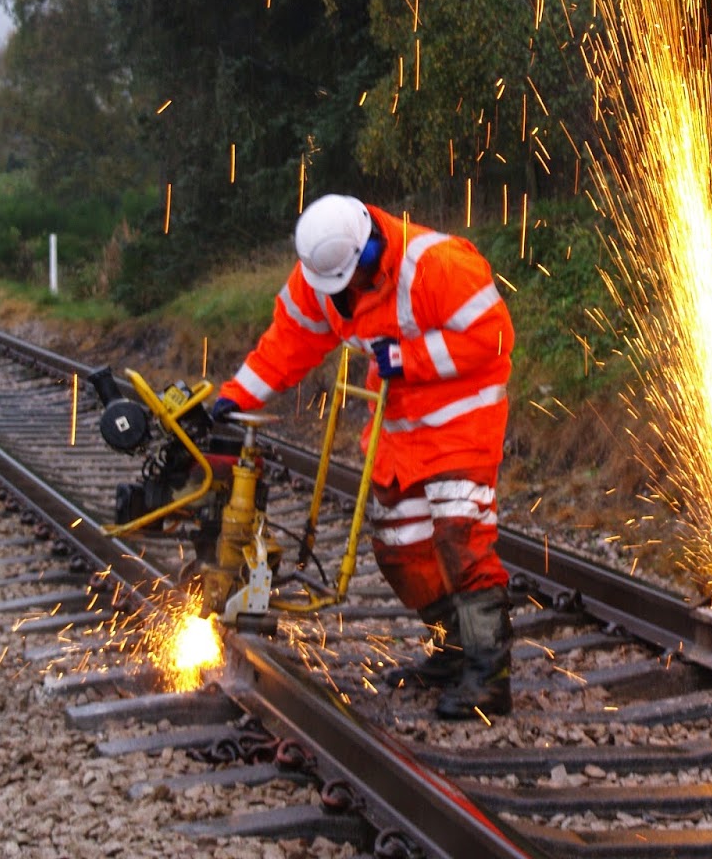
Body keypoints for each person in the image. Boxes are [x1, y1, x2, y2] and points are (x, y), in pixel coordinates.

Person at [213, 192, 516, 719]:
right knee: (402, 550)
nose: (348, 293)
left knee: (459, 540)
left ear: (371, 247)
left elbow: (493, 338)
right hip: (397, 431)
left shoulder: (437, 264)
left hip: (460, 422)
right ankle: (451, 651)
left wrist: (407, 358)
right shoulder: (320, 279)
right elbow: (287, 344)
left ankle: (490, 675)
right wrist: (233, 398)